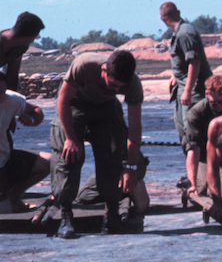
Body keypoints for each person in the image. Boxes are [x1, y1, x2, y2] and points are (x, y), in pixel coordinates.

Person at [50, 50, 142, 238]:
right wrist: (71, 138)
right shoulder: (84, 65)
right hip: (74, 105)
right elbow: (63, 100)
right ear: (103, 70)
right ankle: (66, 216)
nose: (116, 90)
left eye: (120, 88)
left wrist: (131, 167)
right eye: (112, 84)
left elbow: (134, 129)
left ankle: (112, 218)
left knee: (114, 155)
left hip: (106, 109)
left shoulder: (133, 84)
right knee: (69, 156)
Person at [159, 2, 212, 153]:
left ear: (162, 18)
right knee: (184, 131)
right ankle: (193, 172)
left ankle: (202, 174)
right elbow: (183, 60)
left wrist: (188, 91)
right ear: (179, 12)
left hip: (194, 91)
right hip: (183, 88)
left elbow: (195, 62)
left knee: (194, 135)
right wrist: (174, 76)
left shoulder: (185, 33)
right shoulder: (179, 32)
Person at [183, 75, 222, 198]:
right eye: (214, 103)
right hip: (205, 157)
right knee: (203, 191)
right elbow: (193, 148)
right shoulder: (196, 113)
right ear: (207, 94)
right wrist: (192, 183)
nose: (219, 107)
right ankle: (188, 179)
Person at [0, 68, 50, 213]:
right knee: (5, 214)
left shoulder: (11, 100)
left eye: (2, 92)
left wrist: (32, 120)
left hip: (5, 159)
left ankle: (14, 195)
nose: (0, 97)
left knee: (49, 162)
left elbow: (37, 111)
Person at [0, 12, 45, 93]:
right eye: (36, 37)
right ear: (27, 37)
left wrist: (12, 99)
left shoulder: (21, 47)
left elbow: (12, 75)